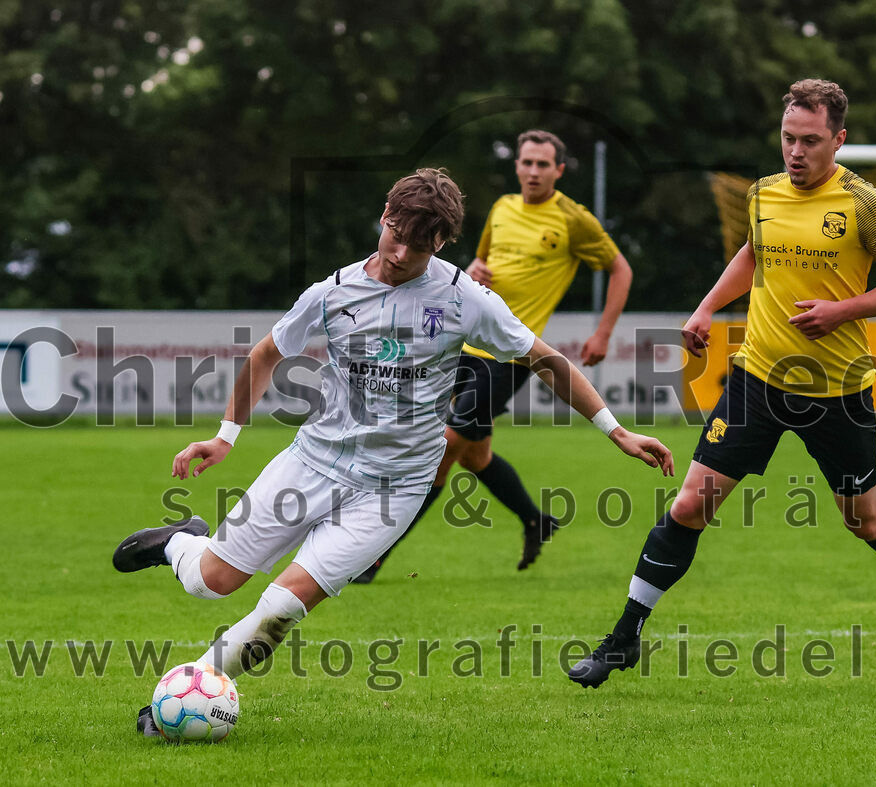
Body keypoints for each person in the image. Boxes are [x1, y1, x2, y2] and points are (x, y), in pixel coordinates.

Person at [110, 168, 672, 734]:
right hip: (310, 462)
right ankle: (180, 543)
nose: (401, 252)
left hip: (392, 489)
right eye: (394, 233)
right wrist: (224, 437)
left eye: (419, 244)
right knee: (211, 582)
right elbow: (265, 354)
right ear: (384, 216)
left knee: (277, 613)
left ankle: (178, 704)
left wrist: (615, 430)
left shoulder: (465, 300)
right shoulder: (331, 292)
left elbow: (546, 360)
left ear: (442, 243)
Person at [568, 79, 876, 688]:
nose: (796, 152)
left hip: (837, 389)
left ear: (839, 140)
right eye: (788, 139)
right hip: (757, 380)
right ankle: (623, 638)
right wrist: (706, 308)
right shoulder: (764, 193)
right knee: (690, 504)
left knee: (865, 520)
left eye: (811, 141)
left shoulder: (864, 203)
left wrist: (840, 311)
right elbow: (753, 253)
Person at [356, 130, 633, 582]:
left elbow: (621, 268)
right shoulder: (503, 209)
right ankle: (535, 519)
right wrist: (473, 271)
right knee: (474, 456)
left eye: (544, 164)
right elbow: (478, 268)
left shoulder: (573, 219)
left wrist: (603, 332)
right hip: (464, 346)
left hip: (510, 356)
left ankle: (374, 555)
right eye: (527, 162)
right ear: (518, 165)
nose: (533, 171)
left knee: (443, 449)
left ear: (559, 171)